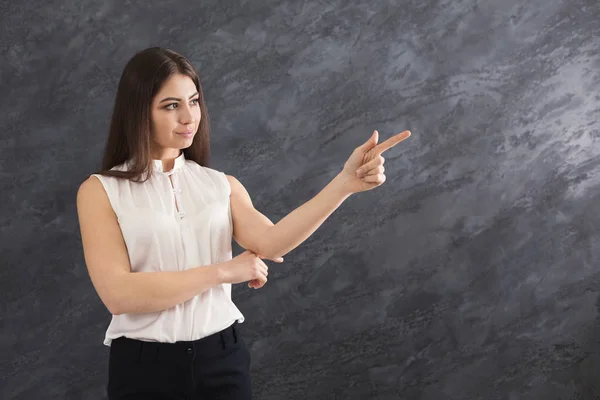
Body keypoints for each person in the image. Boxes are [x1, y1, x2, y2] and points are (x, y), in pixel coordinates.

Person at [76, 46, 411, 400]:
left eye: (194, 101)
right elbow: (119, 294)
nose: (189, 117)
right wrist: (223, 272)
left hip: (222, 359)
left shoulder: (221, 184)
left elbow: (272, 242)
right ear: (138, 111)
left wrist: (344, 184)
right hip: (143, 369)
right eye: (171, 105)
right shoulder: (101, 191)